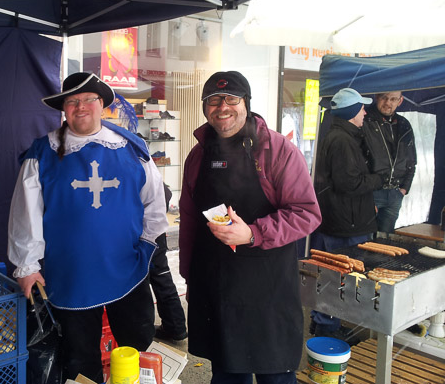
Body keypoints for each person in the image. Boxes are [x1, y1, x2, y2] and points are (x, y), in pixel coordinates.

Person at [8, 72, 169, 383]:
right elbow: (25, 214)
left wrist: (145, 245)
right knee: (80, 360)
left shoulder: (131, 148)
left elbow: (154, 202)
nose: (80, 107)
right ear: (64, 109)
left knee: (136, 348)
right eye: (72, 101)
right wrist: (27, 265)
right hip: (71, 273)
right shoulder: (43, 152)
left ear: (102, 105)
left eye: (88, 100)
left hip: (126, 267)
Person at [179, 71, 321, 384]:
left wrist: (254, 233)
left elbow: (307, 213)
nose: (222, 107)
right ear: (204, 107)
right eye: (213, 100)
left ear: (246, 103)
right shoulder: (198, 155)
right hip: (216, 284)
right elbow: (189, 219)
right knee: (227, 371)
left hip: (267, 288)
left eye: (231, 98)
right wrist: (190, 276)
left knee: (275, 375)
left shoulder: (279, 151)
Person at [311, 87, 385, 339]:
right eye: (362, 108)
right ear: (352, 112)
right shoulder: (342, 141)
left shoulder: (340, 136)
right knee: (336, 276)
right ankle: (326, 327)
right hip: (346, 223)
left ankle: (323, 322)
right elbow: (348, 183)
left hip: (343, 219)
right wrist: (379, 180)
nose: (365, 112)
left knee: (331, 274)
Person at [362, 91, 416, 235]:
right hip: (371, 192)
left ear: (400, 101)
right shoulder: (364, 119)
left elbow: (411, 161)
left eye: (393, 99)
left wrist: (404, 189)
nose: (388, 103)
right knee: (364, 239)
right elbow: (356, 160)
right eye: (384, 98)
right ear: (376, 97)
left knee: (385, 240)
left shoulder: (404, 124)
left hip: (395, 193)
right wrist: (365, 192)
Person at [151, 184, 187, 343]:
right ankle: (175, 327)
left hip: (145, 233)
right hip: (155, 231)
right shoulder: (148, 173)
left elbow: (165, 192)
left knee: (140, 284)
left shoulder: (138, 170)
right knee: (161, 277)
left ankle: (145, 330)